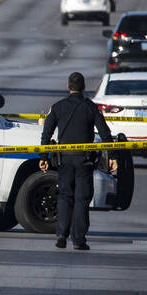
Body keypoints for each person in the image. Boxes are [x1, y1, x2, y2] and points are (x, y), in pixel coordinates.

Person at [39, 71, 117, 250]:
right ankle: (79, 239)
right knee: (82, 198)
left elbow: (46, 133)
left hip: (64, 160)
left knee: (65, 196)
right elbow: (105, 133)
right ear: (83, 88)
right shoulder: (90, 107)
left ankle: (61, 234)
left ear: (68, 87)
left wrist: (43, 157)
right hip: (84, 161)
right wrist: (112, 155)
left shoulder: (58, 107)